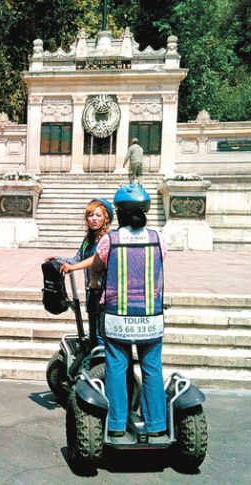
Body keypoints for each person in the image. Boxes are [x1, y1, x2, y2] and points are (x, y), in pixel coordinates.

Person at [87, 184, 167, 439]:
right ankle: (156, 425)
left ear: (119, 213)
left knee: (116, 368)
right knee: (152, 368)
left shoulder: (111, 240)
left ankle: (117, 424)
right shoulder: (158, 238)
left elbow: (97, 269)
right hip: (150, 317)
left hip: (117, 317)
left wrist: (94, 283)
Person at [46, 197, 114, 346]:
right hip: (91, 292)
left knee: (101, 334)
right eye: (90, 215)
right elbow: (77, 259)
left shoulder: (109, 237)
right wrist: (58, 259)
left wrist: (73, 268)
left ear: (106, 218)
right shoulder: (88, 239)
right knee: (93, 332)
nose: (94, 219)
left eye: (98, 215)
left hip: (105, 294)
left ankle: (101, 366)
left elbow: (99, 258)